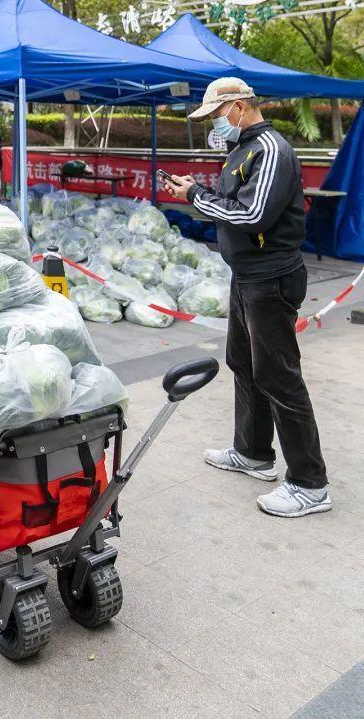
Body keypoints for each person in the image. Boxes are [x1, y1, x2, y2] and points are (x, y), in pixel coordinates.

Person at [167, 77, 330, 518]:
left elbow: (253, 214)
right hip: (246, 276)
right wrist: (197, 192)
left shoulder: (272, 149)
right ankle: (253, 452)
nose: (215, 126)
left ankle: (309, 484)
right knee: (243, 363)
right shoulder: (240, 149)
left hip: (272, 277)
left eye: (217, 116)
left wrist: (196, 198)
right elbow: (231, 198)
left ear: (239, 106)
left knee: (279, 376)